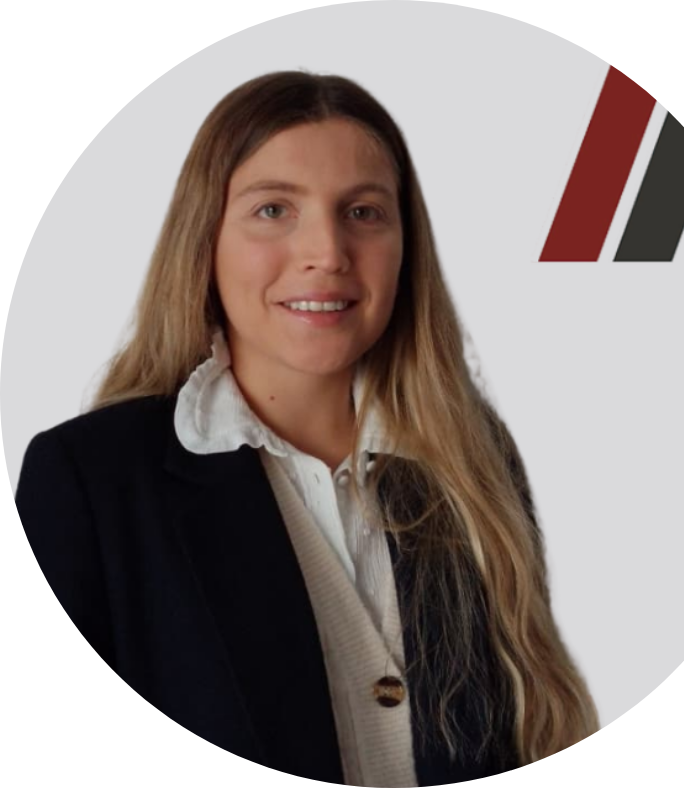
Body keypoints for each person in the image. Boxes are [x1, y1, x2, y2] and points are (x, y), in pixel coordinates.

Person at [15, 71, 598, 786]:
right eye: (273, 209)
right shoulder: (89, 481)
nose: (327, 251)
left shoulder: (472, 457)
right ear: (205, 240)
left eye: (363, 212)